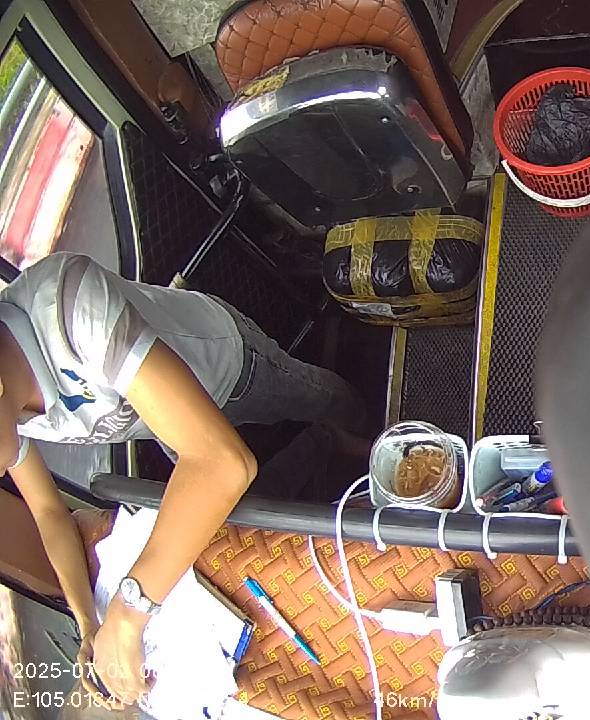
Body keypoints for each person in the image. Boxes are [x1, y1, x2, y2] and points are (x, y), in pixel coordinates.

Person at [0, 253, 364, 705]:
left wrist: (127, 615)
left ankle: (365, 424)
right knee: (229, 518)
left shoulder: (67, 306)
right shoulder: (10, 413)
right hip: (167, 425)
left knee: (314, 397)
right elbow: (48, 512)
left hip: (227, 366)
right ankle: (326, 442)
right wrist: (89, 622)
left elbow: (222, 464)